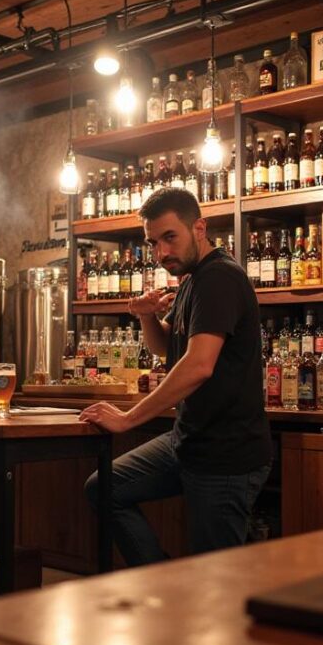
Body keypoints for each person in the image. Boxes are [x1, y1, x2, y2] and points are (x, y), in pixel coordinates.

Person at [81, 187, 272, 566]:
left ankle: (180, 595)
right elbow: (165, 348)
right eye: (153, 243)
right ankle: (163, 582)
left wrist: (128, 419)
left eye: (170, 238)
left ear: (198, 228)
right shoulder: (193, 279)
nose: (161, 253)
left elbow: (199, 365)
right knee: (105, 487)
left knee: (214, 579)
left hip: (226, 452)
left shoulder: (219, 277)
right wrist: (146, 315)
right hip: (189, 439)